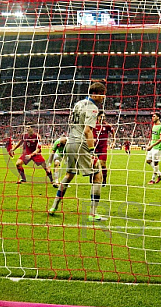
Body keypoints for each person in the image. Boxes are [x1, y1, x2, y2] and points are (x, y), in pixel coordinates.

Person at [48, 81, 107, 222]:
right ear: (95, 94)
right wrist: (92, 151)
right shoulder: (93, 108)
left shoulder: (78, 104)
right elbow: (87, 131)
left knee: (69, 175)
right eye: (102, 95)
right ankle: (93, 214)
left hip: (70, 142)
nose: (103, 98)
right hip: (81, 144)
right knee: (97, 176)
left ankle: (54, 207)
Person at [93, 111, 114, 185]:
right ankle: (93, 179)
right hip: (94, 147)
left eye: (104, 117)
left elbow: (113, 132)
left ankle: (104, 180)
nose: (103, 118)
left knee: (103, 164)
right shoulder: (93, 125)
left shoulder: (107, 126)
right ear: (98, 117)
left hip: (103, 148)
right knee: (93, 165)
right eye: (101, 116)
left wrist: (113, 142)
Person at [145, 113, 161, 184]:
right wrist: (149, 144)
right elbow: (153, 137)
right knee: (148, 161)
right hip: (152, 146)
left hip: (157, 148)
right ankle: (160, 174)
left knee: (155, 163)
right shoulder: (154, 125)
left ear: (158, 117)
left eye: (154, 116)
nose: (152, 118)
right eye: (152, 116)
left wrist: (151, 146)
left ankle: (153, 179)